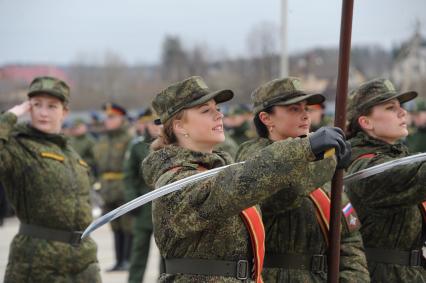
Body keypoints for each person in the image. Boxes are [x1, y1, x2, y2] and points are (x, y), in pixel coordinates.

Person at [142, 76, 350, 282]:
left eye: (218, 109)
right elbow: (239, 184)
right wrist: (306, 148)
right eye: (206, 111)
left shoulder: (217, 171)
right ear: (179, 126)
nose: (219, 116)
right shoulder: (174, 181)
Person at [235, 77, 369, 282]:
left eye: (306, 108)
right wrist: (328, 161)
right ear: (266, 118)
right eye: (294, 109)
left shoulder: (321, 159)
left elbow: (349, 237)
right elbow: (289, 188)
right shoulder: (252, 157)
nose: (305, 115)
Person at [0, 76, 101, 282]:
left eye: (52, 106)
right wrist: (10, 117)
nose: (43, 113)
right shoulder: (18, 147)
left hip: (83, 262)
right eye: (37, 105)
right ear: (28, 108)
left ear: (64, 112)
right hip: (38, 261)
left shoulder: (71, 153)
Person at [345, 78, 426, 282]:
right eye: (391, 108)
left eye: (401, 107)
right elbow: (415, 176)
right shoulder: (364, 169)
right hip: (382, 275)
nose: (402, 113)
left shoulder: (396, 157)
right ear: (366, 122)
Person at [93, 102, 133, 271]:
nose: (107, 121)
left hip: (123, 187)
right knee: (115, 226)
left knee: (127, 226)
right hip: (107, 188)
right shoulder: (103, 140)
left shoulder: (128, 138)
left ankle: (127, 260)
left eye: (111, 117)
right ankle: (118, 261)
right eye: (106, 117)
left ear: (121, 118)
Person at [124, 108, 161, 283]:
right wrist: (133, 201)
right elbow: (129, 177)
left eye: (159, 122)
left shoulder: (170, 145)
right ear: (145, 124)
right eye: (152, 122)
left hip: (164, 208)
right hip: (143, 207)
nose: (156, 127)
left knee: (166, 254)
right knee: (138, 251)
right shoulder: (137, 146)